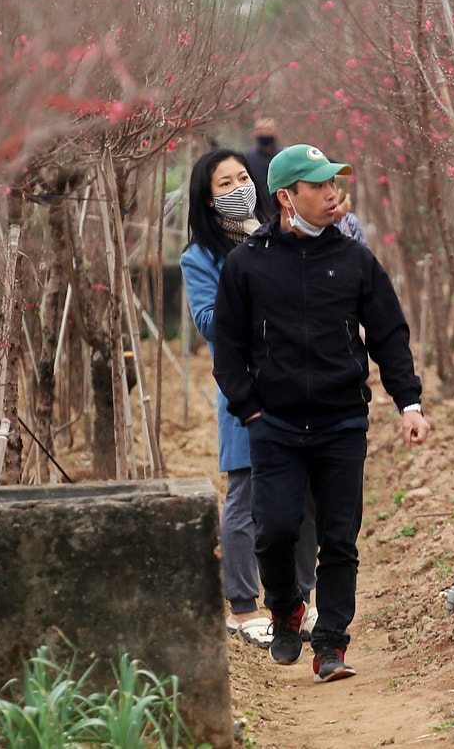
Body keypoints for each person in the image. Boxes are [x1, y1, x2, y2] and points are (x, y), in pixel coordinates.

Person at [212, 143, 430, 680]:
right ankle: (286, 610)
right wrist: (252, 410)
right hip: (276, 424)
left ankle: (330, 642)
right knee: (276, 530)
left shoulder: (354, 260)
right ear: (287, 196)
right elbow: (228, 348)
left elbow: (388, 333)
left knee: (338, 537)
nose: (333, 193)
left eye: (335, 183)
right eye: (319, 186)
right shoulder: (247, 265)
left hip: (342, 421)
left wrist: (409, 402)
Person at [180, 148, 319, 648]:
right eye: (224, 183)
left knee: (303, 497)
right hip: (245, 389)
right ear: (207, 197)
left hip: (296, 385)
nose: (238, 187)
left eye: (243, 177)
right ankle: (242, 607)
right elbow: (208, 323)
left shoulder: (279, 236)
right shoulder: (200, 257)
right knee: (245, 495)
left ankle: (303, 599)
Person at [244, 118, 280, 208]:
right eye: (261, 130)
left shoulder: (283, 157)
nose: (264, 134)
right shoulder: (247, 158)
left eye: (268, 130)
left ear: (275, 132)